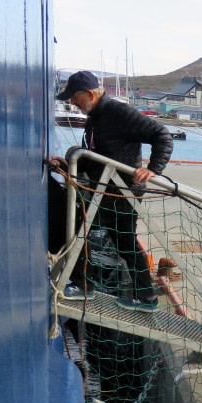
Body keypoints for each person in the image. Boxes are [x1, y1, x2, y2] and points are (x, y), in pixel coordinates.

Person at [58, 70, 173, 312]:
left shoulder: (120, 113)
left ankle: (140, 297)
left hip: (123, 191)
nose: (72, 103)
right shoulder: (94, 117)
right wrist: (69, 165)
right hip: (104, 188)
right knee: (101, 235)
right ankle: (142, 297)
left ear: (89, 94)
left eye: (74, 97)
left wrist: (153, 169)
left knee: (119, 240)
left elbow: (162, 135)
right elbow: (98, 156)